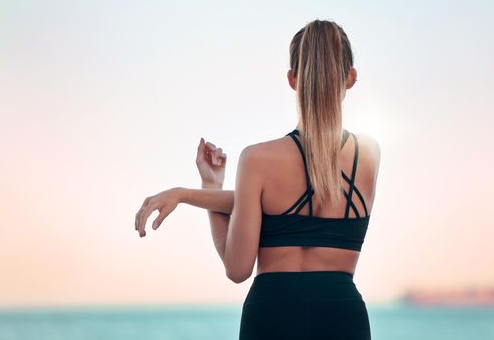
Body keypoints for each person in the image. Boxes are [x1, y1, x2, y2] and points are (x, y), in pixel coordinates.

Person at [135, 19, 381, 340]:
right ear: (351, 77)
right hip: (343, 315)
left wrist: (205, 190)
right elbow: (289, 205)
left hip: (273, 314)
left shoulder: (258, 160)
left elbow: (238, 268)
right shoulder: (369, 155)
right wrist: (187, 194)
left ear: (293, 80)